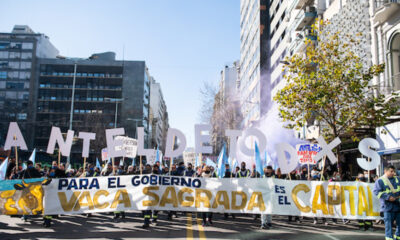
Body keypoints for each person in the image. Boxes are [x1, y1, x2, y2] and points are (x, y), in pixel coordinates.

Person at [373, 165, 400, 240]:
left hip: (398, 205)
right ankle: (389, 238)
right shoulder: (380, 180)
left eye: (394, 171)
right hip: (387, 207)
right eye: (391, 171)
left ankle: (398, 237)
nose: (393, 173)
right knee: (389, 226)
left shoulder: (397, 179)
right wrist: (388, 197)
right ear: (385, 171)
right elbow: (376, 192)